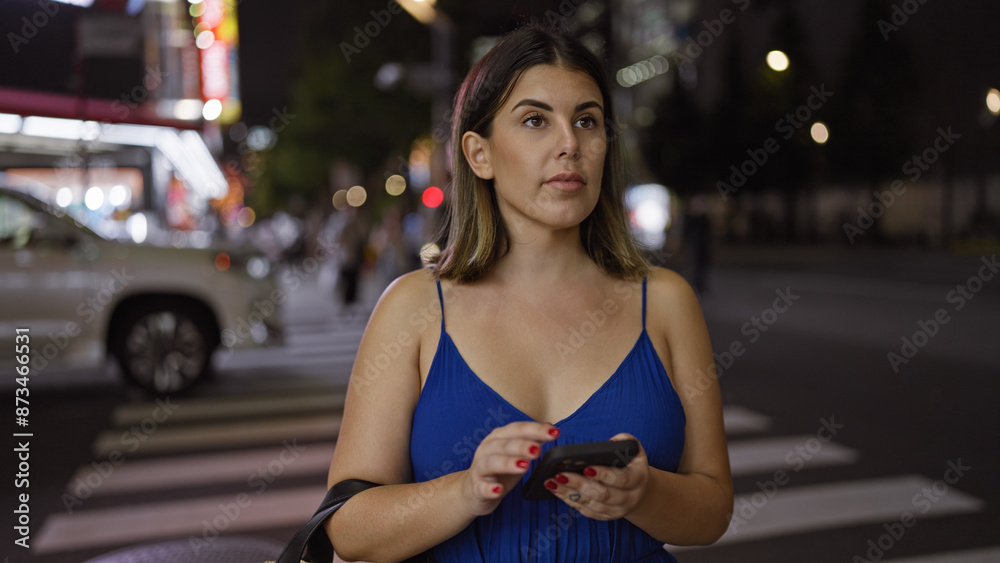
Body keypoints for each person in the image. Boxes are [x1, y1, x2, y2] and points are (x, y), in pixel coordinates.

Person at [325, 23, 732, 562]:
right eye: (536, 120)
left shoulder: (666, 301)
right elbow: (349, 531)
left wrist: (645, 493)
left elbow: (713, 510)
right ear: (479, 155)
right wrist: (465, 492)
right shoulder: (414, 308)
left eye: (587, 121)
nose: (570, 144)